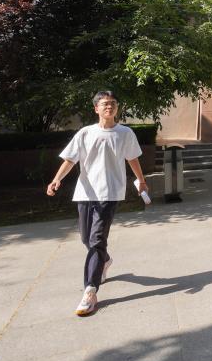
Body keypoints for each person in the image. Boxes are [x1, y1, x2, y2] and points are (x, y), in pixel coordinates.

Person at [46, 91, 147, 317]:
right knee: (86, 238)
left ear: (117, 108)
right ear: (96, 108)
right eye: (105, 104)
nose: (109, 107)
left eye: (113, 103)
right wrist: (56, 179)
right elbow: (70, 159)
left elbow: (132, 158)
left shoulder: (125, 133)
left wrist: (141, 180)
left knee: (97, 239)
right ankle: (105, 260)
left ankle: (90, 291)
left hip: (110, 192)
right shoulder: (86, 133)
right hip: (85, 192)